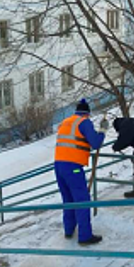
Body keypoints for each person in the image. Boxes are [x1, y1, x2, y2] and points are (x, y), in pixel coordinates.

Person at [54, 99, 108, 245]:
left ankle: (69, 230)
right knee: (82, 200)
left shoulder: (65, 122)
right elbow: (95, 143)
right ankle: (85, 236)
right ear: (87, 114)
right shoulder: (84, 122)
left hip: (58, 165)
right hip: (73, 167)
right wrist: (102, 131)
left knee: (68, 199)